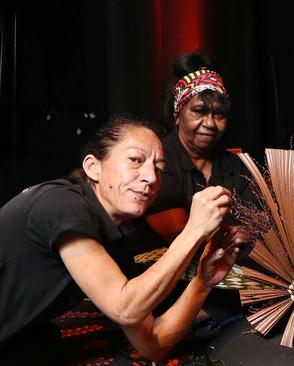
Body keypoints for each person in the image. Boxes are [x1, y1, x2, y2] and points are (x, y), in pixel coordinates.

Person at [0, 117, 242, 362]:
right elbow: (125, 309)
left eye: (159, 169)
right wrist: (193, 231)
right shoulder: (61, 203)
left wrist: (203, 282)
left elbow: (152, 344)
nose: (151, 177)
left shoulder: (115, 243)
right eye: (135, 160)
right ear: (93, 167)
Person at [142, 52, 253, 334]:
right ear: (178, 114)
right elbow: (179, 236)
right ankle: (192, 317)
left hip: (226, 275)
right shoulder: (159, 160)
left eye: (219, 114)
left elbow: (260, 226)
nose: (210, 123)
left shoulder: (235, 164)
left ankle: (205, 316)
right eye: (199, 111)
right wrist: (232, 233)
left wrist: (247, 232)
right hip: (170, 277)